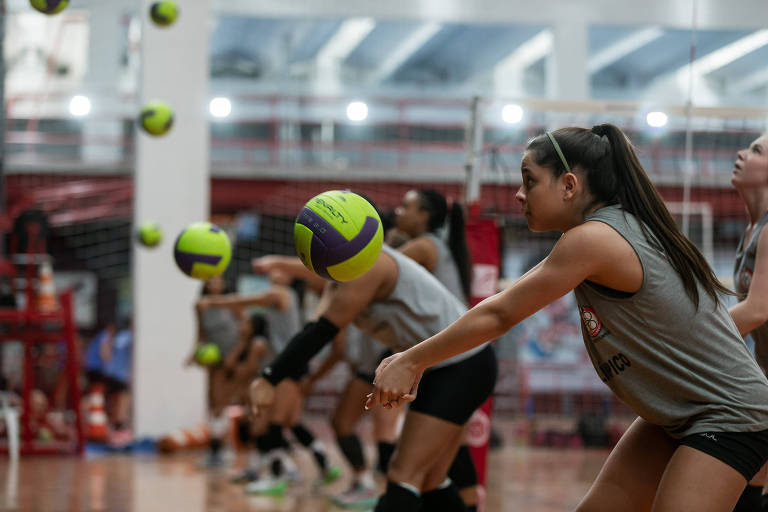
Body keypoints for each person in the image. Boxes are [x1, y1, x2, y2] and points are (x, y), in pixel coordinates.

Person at [369, 124, 768, 512]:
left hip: (728, 413)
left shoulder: (593, 239)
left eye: (529, 180)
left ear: (569, 185)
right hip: (682, 408)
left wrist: (411, 359)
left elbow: (501, 313)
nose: (519, 194)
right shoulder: (610, 230)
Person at [249, 237, 498, 512]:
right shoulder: (339, 282)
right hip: (441, 366)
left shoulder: (371, 264)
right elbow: (312, 329)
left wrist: (269, 378)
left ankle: (363, 482)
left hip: (461, 363)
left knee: (403, 474)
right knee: (430, 480)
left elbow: (322, 332)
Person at [197, 269, 339, 493]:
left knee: (272, 424)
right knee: (289, 423)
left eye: (279, 270)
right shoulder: (276, 310)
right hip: (292, 367)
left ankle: (280, 475)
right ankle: (320, 465)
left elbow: (245, 300)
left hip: (289, 368)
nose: (274, 271)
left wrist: (213, 301)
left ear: (290, 277)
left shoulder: (281, 294)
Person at [730, 132, 768, 512]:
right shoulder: (751, 231)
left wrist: (693, 337)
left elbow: (757, 310)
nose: (741, 153)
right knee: (752, 480)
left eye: (756, 150)